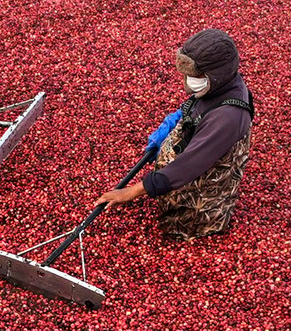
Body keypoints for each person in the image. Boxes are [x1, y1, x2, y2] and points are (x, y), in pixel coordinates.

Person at [98, 28, 255, 240]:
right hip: (188, 165)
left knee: (185, 220)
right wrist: (173, 124)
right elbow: (198, 107)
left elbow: (188, 166)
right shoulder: (220, 86)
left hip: (201, 199)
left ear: (216, 75)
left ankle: (194, 227)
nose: (189, 79)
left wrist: (130, 192)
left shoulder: (228, 116)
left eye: (195, 75)